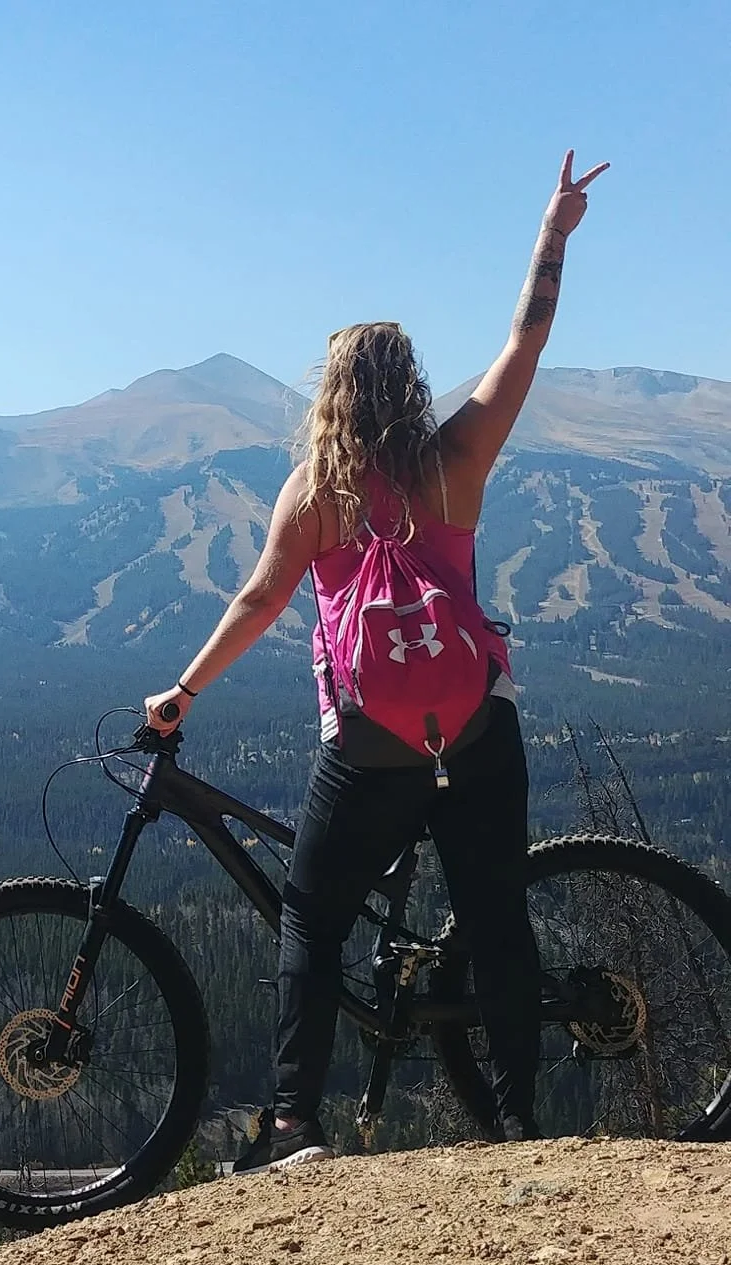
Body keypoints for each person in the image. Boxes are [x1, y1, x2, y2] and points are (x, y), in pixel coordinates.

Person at [144, 151, 610, 1172]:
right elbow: (527, 336)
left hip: (372, 741)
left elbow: (261, 599)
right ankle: (518, 1123)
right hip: (477, 722)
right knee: (495, 917)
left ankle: (295, 1126)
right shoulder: (459, 457)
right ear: (410, 388)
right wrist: (553, 234)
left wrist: (181, 690)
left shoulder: (318, 490)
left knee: (311, 911)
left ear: (334, 396)